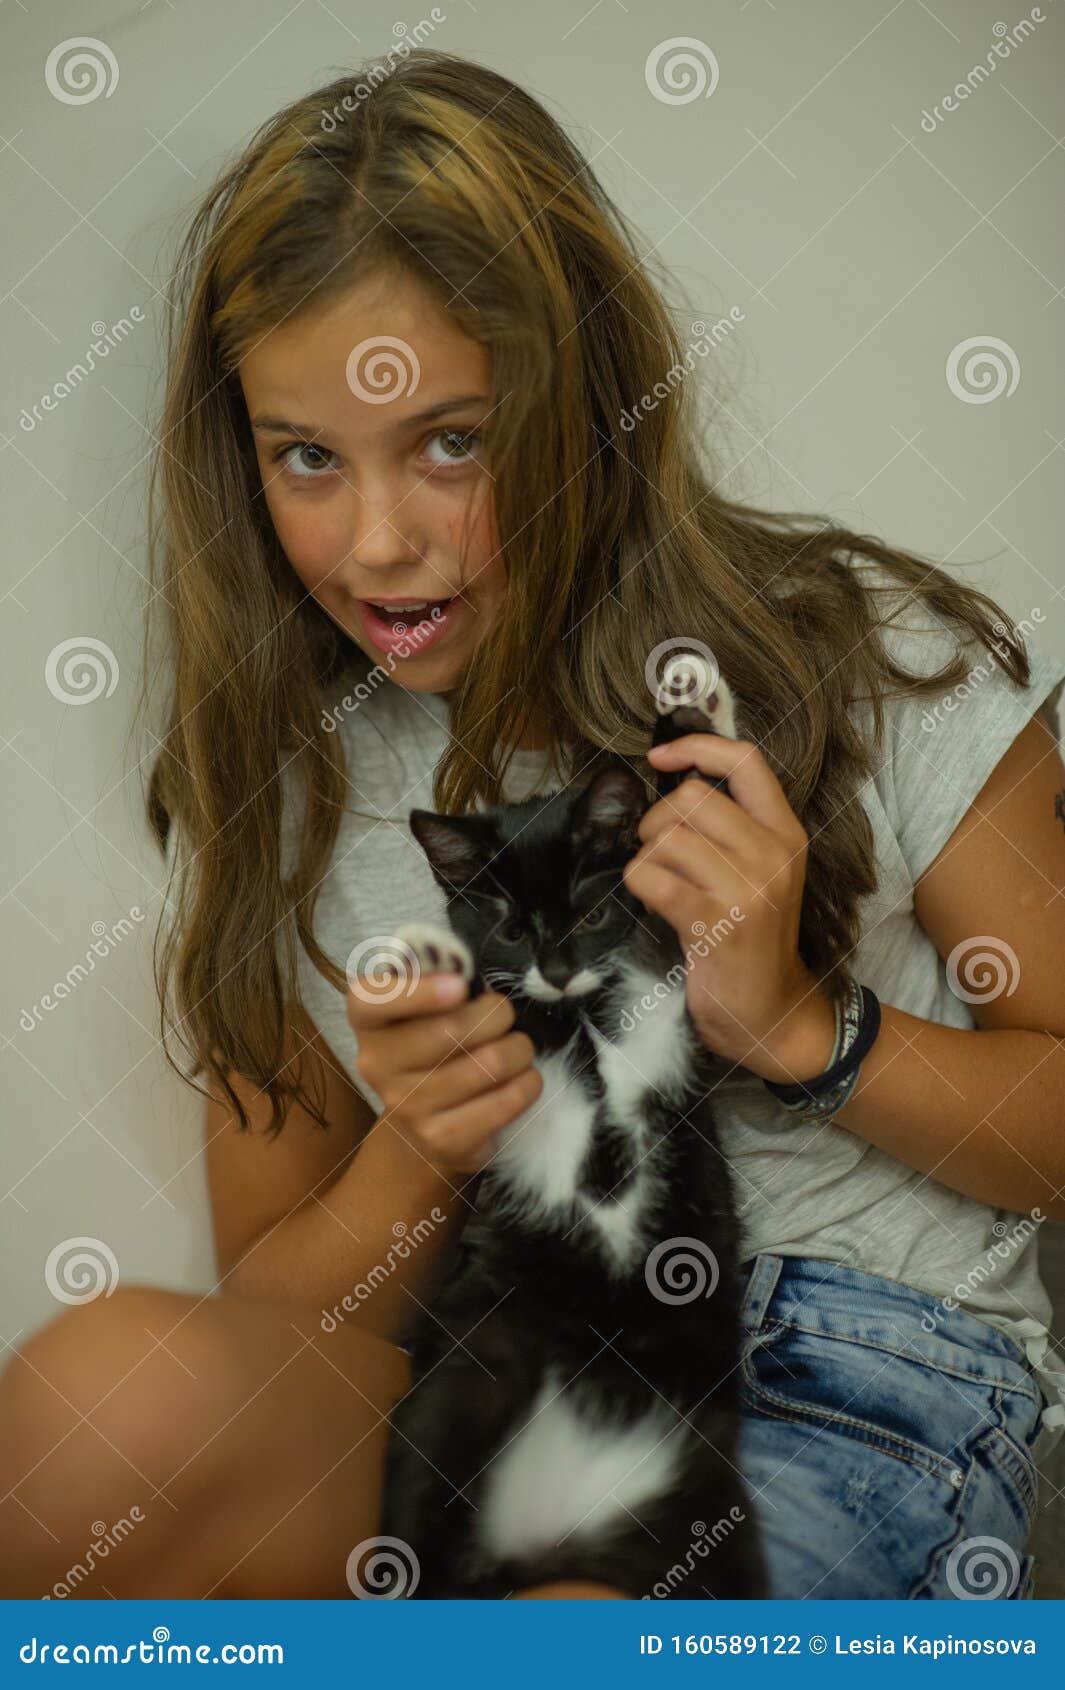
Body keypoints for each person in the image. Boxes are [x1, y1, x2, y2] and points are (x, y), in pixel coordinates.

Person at [1, 49, 1063, 1602]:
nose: (378, 540)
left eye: (450, 439)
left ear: (582, 398)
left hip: (835, 1372)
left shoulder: (861, 653)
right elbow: (297, 1302)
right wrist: (416, 1157)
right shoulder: (290, 785)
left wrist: (801, 1024)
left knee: (569, 1613)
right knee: (89, 1419)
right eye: (307, 455)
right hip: (486, 1360)